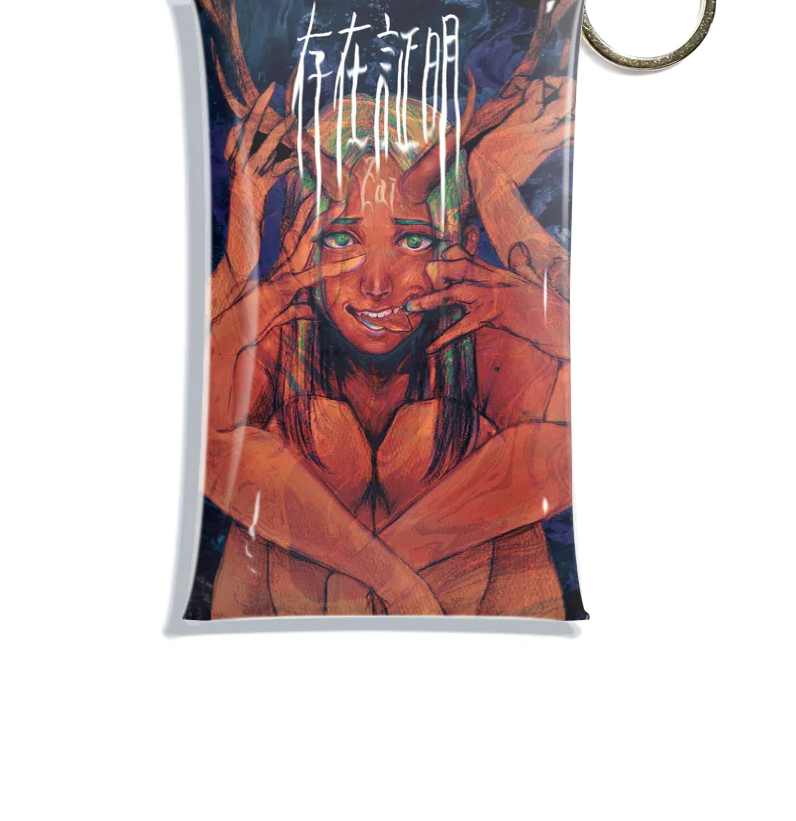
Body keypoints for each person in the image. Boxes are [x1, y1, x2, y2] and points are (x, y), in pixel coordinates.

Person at [203, 70, 577, 618]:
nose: (376, 283)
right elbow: (195, 437)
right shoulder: (279, 339)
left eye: (414, 240)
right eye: (340, 238)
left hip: (490, 641)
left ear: (463, 241)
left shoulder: (485, 344)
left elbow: (580, 446)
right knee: (322, 432)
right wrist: (241, 262)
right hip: (274, 640)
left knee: (431, 432)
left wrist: (493, 186)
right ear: (296, 240)